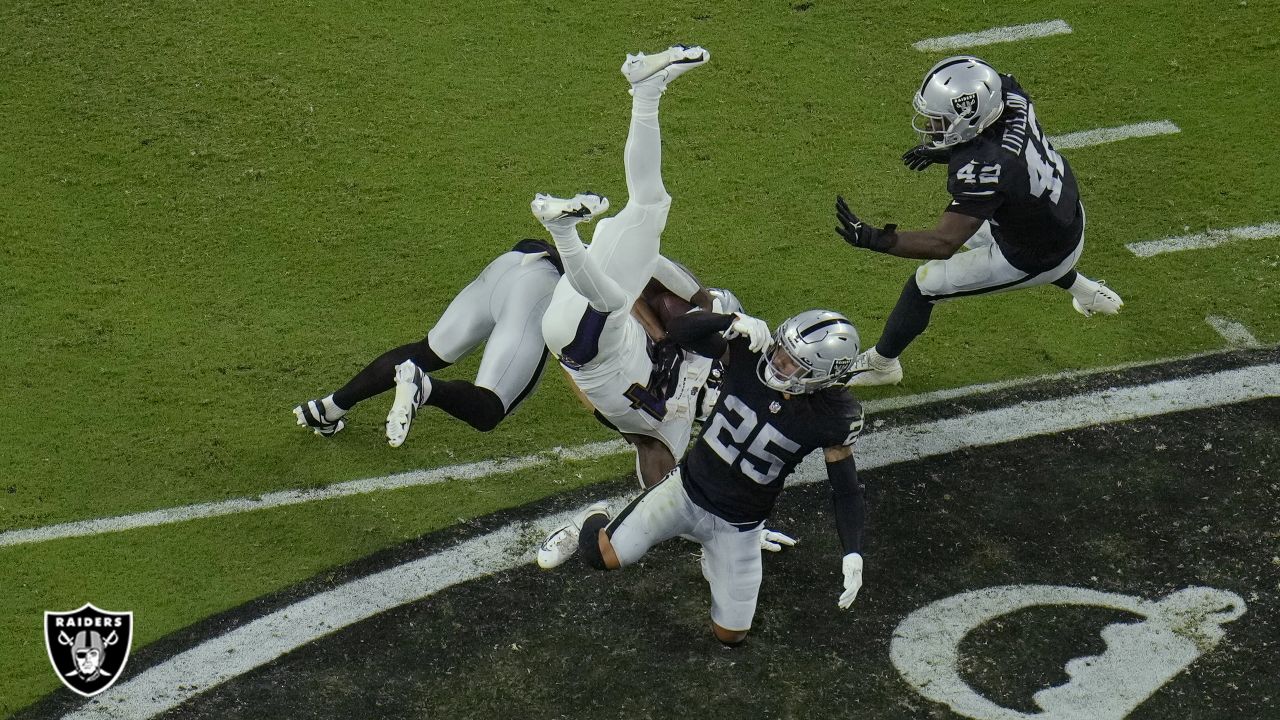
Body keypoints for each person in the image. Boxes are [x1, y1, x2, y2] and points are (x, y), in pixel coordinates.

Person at [537, 308, 869, 646]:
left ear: (824, 376)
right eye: (781, 349)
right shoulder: (750, 354)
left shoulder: (835, 418)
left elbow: (846, 490)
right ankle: (592, 517)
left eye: (791, 362)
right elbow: (679, 331)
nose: (777, 361)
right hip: (685, 491)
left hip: (739, 527)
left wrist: (853, 551)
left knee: (731, 635)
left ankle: (713, 554)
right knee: (600, 554)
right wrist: (730, 320)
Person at [533, 44, 750, 489]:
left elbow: (656, 476)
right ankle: (645, 89)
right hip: (580, 322)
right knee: (649, 206)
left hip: (585, 348)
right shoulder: (692, 348)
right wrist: (701, 302)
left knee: (614, 299)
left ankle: (562, 230)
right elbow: (654, 267)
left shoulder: (666, 432)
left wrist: (672, 508)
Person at [833, 55, 1124, 387]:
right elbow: (994, 108)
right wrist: (947, 150)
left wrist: (875, 239)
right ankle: (1083, 290)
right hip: (1059, 216)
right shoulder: (1011, 98)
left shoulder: (985, 167)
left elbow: (943, 244)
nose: (931, 127)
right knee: (992, 224)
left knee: (925, 283)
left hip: (1036, 253)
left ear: (971, 118)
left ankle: (882, 364)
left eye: (940, 120)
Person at [292, 241, 715, 447]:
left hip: (513, 263)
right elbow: (632, 289)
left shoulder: (678, 302)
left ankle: (330, 407)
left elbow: (642, 277)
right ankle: (425, 389)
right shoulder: (672, 309)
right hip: (541, 292)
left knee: (427, 350)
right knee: (489, 407)